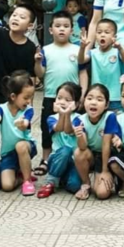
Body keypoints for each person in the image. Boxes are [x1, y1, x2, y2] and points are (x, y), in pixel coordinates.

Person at [36, 12, 86, 177]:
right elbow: (40, 73)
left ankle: (72, 158)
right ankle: (45, 159)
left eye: (66, 26)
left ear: (72, 30)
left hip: (72, 98)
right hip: (52, 96)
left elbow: (82, 72)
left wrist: (82, 94)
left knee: (72, 128)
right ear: (51, 30)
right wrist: (37, 62)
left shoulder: (78, 50)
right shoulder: (46, 50)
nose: (62, 29)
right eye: (58, 26)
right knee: (47, 129)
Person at [0, 71, 37, 195]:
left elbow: (25, 123)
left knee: (20, 146)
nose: (29, 101)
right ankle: (20, 177)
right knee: (7, 186)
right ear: (13, 96)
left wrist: (22, 124)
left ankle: (27, 181)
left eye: (31, 97)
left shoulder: (28, 110)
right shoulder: (1, 108)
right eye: (26, 97)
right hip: (8, 153)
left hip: (27, 147)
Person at [39, 81, 84, 197]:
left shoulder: (79, 118)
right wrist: (62, 114)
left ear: (76, 104)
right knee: (65, 150)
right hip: (56, 158)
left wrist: (67, 114)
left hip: (73, 161)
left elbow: (68, 130)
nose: (62, 102)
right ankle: (51, 182)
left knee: (74, 186)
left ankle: (61, 177)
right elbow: (59, 128)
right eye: (59, 98)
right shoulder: (51, 118)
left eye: (68, 100)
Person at [74, 83, 115, 200]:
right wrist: (79, 136)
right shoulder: (79, 120)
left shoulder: (110, 117)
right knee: (78, 152)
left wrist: (105, 171)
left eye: (99, 99)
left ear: (106, 105)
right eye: (90, 98)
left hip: (107, 156)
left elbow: (106, 144)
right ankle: (86, 184)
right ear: (84, 101)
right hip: (91, 155)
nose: (93, 102)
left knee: (102, 194)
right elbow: (83, 147)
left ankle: (112, 176)